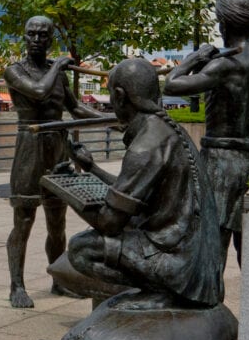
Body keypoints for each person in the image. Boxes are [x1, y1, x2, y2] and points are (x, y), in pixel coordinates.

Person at [63, 58, 224, 309]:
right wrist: (91, 168)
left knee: (80, 250)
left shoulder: (146, 146)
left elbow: (109, 223)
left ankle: (161, 292)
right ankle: (162, 289)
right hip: (190, 256)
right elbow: (135, 193)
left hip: (177, 264)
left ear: (119, 96)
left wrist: (65, 191)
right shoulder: (165, 129)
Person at [164, 0, 249, 266]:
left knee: (212, 250)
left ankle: (211, 294)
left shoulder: (224, 65)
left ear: (223, 25)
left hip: (219, 163)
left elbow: (171, 85)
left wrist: (193, 59)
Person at [4, 16, 106, 308]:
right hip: (30, 147)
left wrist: (116, 120)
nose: (36, 39)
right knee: (24, 220)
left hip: (57, 148)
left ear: (51, 40)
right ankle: (17, 285)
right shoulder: (15, 70)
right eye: (31, 34)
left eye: (42, 35)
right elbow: (39, 92)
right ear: (25, 37)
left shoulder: (56, 73)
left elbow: (75, 108)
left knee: (57, 222)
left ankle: (59, 281)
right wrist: (59, 66)